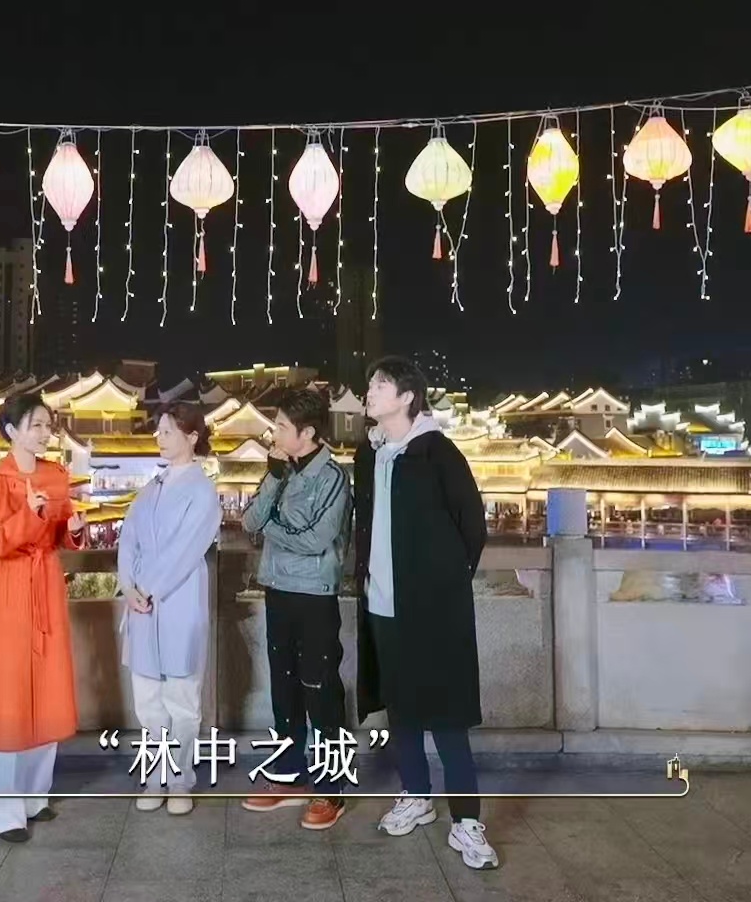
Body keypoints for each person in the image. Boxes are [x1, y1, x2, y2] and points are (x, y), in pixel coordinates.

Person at [354, 356, 499, 870]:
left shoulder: (438, 453)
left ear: (408, 398)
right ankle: (416, 794)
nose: (370, 391)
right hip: (382, 603)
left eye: (381, 385)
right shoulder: (370, 453)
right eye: (371, 384)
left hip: (433, 608)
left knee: (447, 712)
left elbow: (471, 526)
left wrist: (443, 584)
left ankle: (467, 821)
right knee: (401, 709)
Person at [0, 392, 87, 842]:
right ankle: (1, 812)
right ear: (11, 430)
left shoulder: (56, 475)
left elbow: (60, 532)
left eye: (47, 425)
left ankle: (35, 795)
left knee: (47, 690)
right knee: (9, 696)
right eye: (35, 425)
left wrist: (73, 531)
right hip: (10, 588)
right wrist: (30, 516)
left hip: (46, 585)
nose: (44, 433)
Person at [239, 387, 352, 831]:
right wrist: (272, 480)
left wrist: (270, 527)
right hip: (278, 589)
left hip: (315, 594)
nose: (275, 433)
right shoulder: (280, 470)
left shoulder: (333, 478)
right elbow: (249, 521)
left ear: (307, 433)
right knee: (284, 687)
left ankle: (331, 788)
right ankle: (290, 775)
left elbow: (316, 540)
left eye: (283, 426)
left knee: (319, 689)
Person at [117, 403, 223, 816]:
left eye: (167, 432)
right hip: (142, 605)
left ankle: (180, 778)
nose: (159, 439)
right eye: (158, 431)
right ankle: (155, 776)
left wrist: (147, 587)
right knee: (147, 699)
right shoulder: (152, 487)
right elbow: (129, 539)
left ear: (192, 437)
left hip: (177, 599)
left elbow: (186, 549)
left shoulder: (203, 491)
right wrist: (128, 585)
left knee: (181, 698)